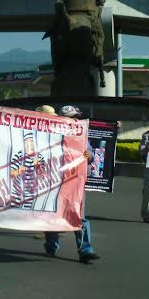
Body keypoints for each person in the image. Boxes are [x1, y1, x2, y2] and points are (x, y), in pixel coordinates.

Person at [38, 105, 100, 263]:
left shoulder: (81, 135)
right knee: (54, 216)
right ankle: (51, 246)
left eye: (77, 117)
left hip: (75, 183)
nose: (75, 120)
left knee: (79, 217)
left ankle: (85, 250)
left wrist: (89, 156)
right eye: (72, 117)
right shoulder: (50, 135)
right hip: (55, 182)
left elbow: (90, 155)